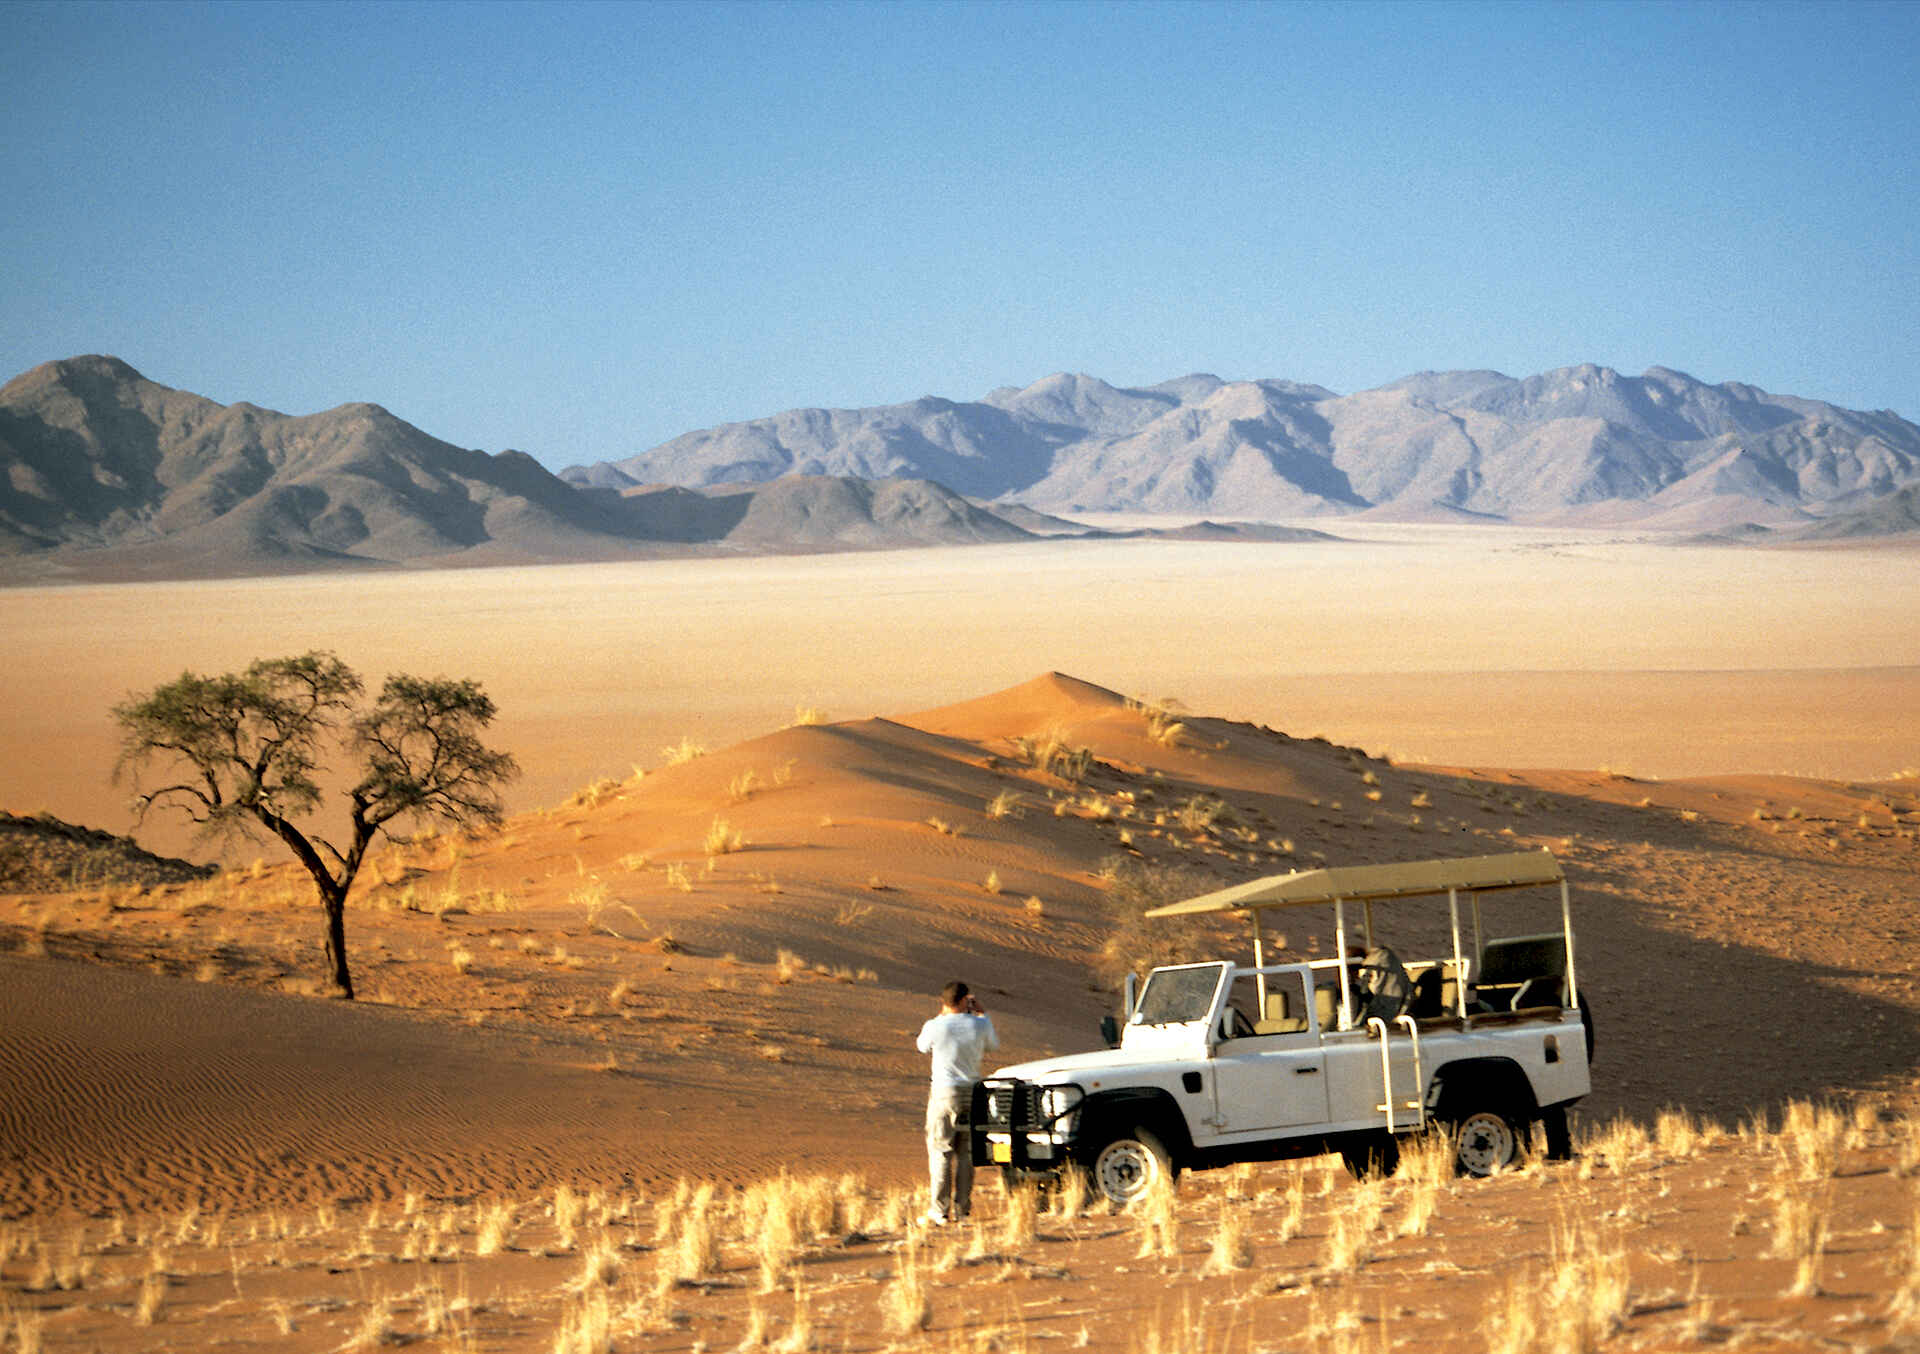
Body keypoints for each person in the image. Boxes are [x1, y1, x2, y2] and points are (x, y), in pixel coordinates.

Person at [915, 979, 999, 1225]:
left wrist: (941, 1016)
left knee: (941, 1150)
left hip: (944, 1091)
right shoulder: (980, 1024)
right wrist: (983, 1014)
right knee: (966, 1153)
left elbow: (921, 1047)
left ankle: (939, 1211)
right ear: (965, 1001)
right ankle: (962, 1210)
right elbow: (993, 1045)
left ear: (944, 1002)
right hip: (972, 1091)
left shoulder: (934, 1025)